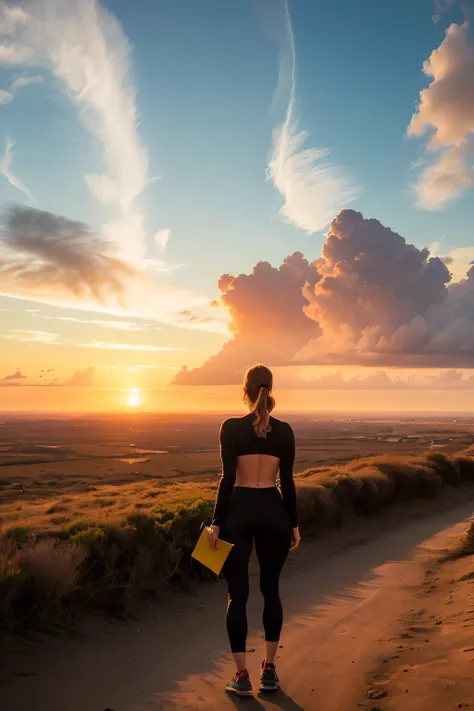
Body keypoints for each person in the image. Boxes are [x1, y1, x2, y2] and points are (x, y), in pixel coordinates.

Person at [208, 363, 301, 696]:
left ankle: (242, 677)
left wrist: (216, 523)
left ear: (244, 391)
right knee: (271, 590)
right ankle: (270, 671)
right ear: (271, 390)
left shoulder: (231, 428)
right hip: (274, 511)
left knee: (238, 594)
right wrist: (293, 524)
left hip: (239, 512)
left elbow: (227, 480)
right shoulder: (286, 431)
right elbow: (287, 483)